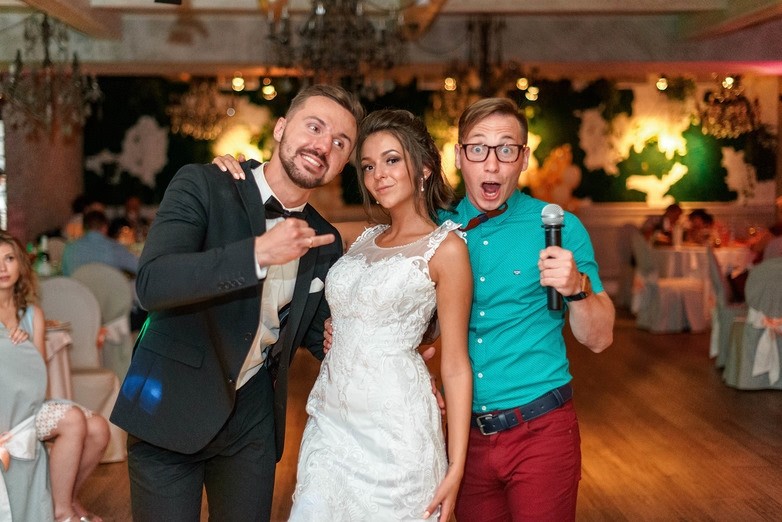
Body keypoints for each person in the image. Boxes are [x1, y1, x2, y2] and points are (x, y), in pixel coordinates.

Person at [110, 84, 365, 521]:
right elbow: (152, 284)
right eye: (315, 127)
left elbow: (315, 333)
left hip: (252, 421)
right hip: (170, 404)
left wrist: (386, 355)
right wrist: (257, 254)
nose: (324, 145)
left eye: (340, 143)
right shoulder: (205, 185)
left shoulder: (324, 238)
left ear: (343, 163)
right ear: (281, 128)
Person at [284, 109, 472, 521]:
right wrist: (335, 327)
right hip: (330, 423)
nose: (377, 176)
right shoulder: (363, 239)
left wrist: (456, 466)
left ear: (424, 168)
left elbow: (456, 365)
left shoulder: (447, 249)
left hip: (397, 430)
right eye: (368, 166)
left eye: (391, 160)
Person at [439, 98, 614, 520]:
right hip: (463, 436)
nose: (492, 164)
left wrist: (576, 288)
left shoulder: (559, 226)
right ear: (459, 156)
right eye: (478, 148)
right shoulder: (436, 229)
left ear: (524, 158)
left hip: (542, 431)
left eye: (506, 149)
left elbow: (600, 338)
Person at [0, 231, 109, 522]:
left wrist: (24, 348)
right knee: (72, 419)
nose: (2, 267)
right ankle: (61, 513)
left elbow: (38, 376)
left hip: (31, 405)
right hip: (6, 412)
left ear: (20, 265)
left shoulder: (31, 314)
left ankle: (67, 499)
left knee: (99, 428)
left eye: (9, 258)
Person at [61, 209, 139, 276]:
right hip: (109, 288)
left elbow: (66, 276)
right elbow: (138, 268)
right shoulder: (114, 248)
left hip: (79, 288)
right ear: (105, 227)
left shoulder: (69, 249)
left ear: (83, 228)